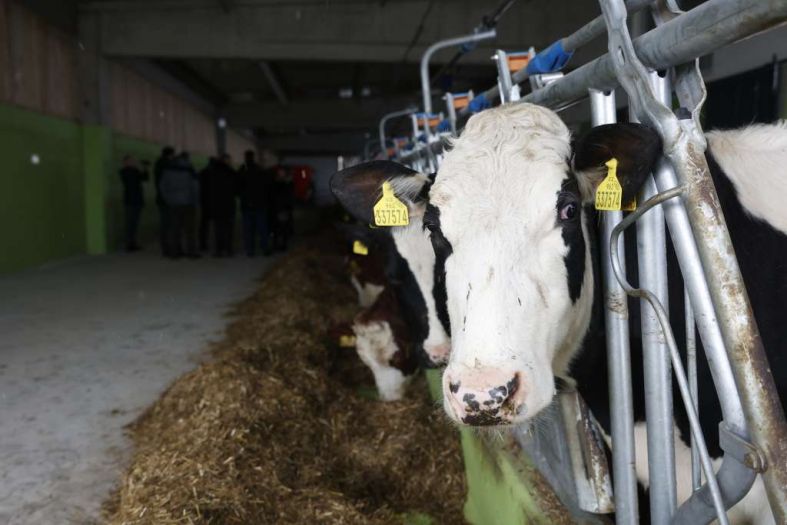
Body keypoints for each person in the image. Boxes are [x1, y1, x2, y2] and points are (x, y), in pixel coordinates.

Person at [159, 151, 200, 259]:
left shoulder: (167, 170)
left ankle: (174, 253)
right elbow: (195, 187)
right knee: (190, 230)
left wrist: (168, 200)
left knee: (174, 229)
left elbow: (163, 187)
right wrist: (195, 202)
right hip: (188, 203)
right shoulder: (189, 169)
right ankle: (191, 253)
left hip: (173, 204)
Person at [239, 150, 273, 257]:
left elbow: (238, 188)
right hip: (260, 205)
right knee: (262, 229)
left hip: (247, 205)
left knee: (249, 231)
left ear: (245, 157)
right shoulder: (260, 171)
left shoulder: (243, 171)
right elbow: (268, 187)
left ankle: (250, 251)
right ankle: (265, 248)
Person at [118, 155, 149, 252]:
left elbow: (145, 178)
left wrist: (145, 168)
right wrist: (138, 169)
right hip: (130, 201)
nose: (133, 162)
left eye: (133, 161)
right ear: (125, 162)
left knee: (134, 223)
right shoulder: (124, 171)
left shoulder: (134, 171)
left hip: (137, 200)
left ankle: (133, 243)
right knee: (129, 223)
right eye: (131, 161)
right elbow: (133, 180)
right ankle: (129, 244)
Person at [210, 153, 239, 257]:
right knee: (229, 229)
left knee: (218, 229)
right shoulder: (231, 173)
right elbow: (236, 189)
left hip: (217, 204)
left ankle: (219, 250)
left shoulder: (213, 172)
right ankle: (229, 249)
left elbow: (211, 189)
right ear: (226, 161)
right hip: (229, 204)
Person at [154, 146, 175, 256]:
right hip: (168, 199)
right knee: (169, 224)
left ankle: (165, 247)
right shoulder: (168, 165)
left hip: (161, 198)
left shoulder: (158, 164)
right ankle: (168, 248)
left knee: (164, 224)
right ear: (170, 155)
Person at [271, 165, 295, 251]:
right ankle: (277, 245)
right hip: (278, 208)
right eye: (280, 172)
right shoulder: (278, 183)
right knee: (277, 229)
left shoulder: (286, 183)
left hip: (283, 209)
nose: (281, 174)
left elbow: (289, 196)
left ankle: (282, 245)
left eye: (282, 172)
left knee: (283, 228)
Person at [198, 157, 218, 252]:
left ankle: (203, 244)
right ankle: (217, 244)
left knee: (204, 224)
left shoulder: (203, 173)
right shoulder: (217, 174)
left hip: (205, 201)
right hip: (214, 201)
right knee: (217, 224)